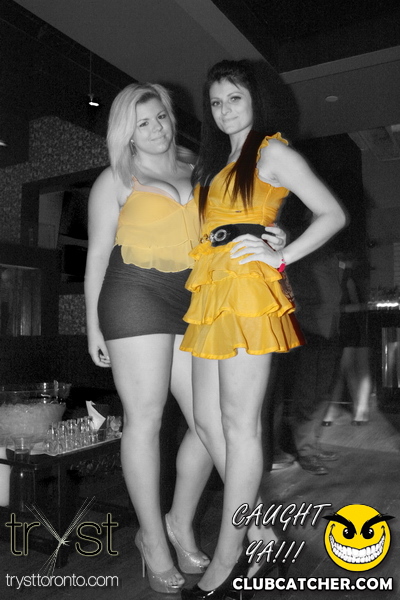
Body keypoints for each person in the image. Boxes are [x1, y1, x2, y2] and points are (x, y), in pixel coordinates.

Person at [84, 81, 286, 595]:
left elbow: (232, 223)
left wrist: (273, 235)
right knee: (146, 418)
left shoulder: (200, 167)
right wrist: (93, 324)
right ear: (127, 131)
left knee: (209, 420)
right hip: (134, 293)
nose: (155, 129)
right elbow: (97, 256)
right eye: (142, 122)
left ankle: (179, 520)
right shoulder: (115, 179)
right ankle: (155, 540)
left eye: (161, 117)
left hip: (198, 296)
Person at [179, 59, 346, 599]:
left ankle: (229, 563)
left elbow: (332, 214)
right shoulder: (217, 161)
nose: (224, 110)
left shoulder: (272, 152)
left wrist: (282, 254)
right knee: (207, 421)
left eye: (235, 98)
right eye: (216, 101)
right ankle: (260, 533)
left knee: (239, 425)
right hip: (210, 291)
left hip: (248, 291)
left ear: (255, 100)